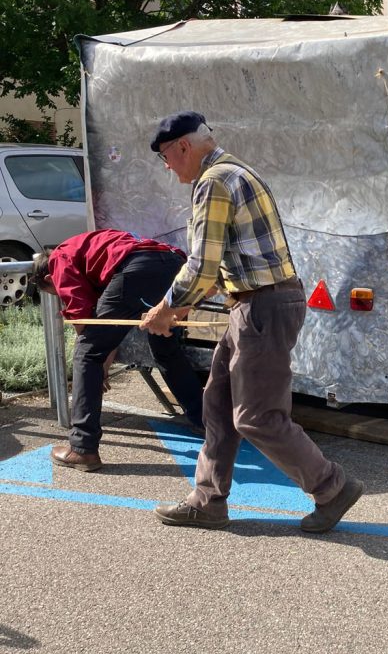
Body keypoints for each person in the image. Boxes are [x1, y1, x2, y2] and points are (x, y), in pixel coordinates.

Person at [141, 111, 363, 532]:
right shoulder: (234, 171)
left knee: (257, 416)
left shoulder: (215, 182)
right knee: (219, 405)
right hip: (257, 304)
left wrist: (165, 308)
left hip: (262, 308)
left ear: (184, 147)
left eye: (166, 157)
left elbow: (202, 264)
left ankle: (332, 487)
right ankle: (207, 501)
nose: (167, 168)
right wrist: (184, 305)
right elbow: (227, 260)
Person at [32, 229, 204, 471]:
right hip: (175, 264)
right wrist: (102, 362)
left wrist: (96, 361)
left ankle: (82, 448)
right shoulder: (88, 249)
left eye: (55, 293)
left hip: (137, 269)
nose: (59, 295)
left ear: (49, 279)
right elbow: (108, 327)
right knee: (164, 345)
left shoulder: (59, 258)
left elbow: (84, 320)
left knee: (86, 352)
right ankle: (204, 419)